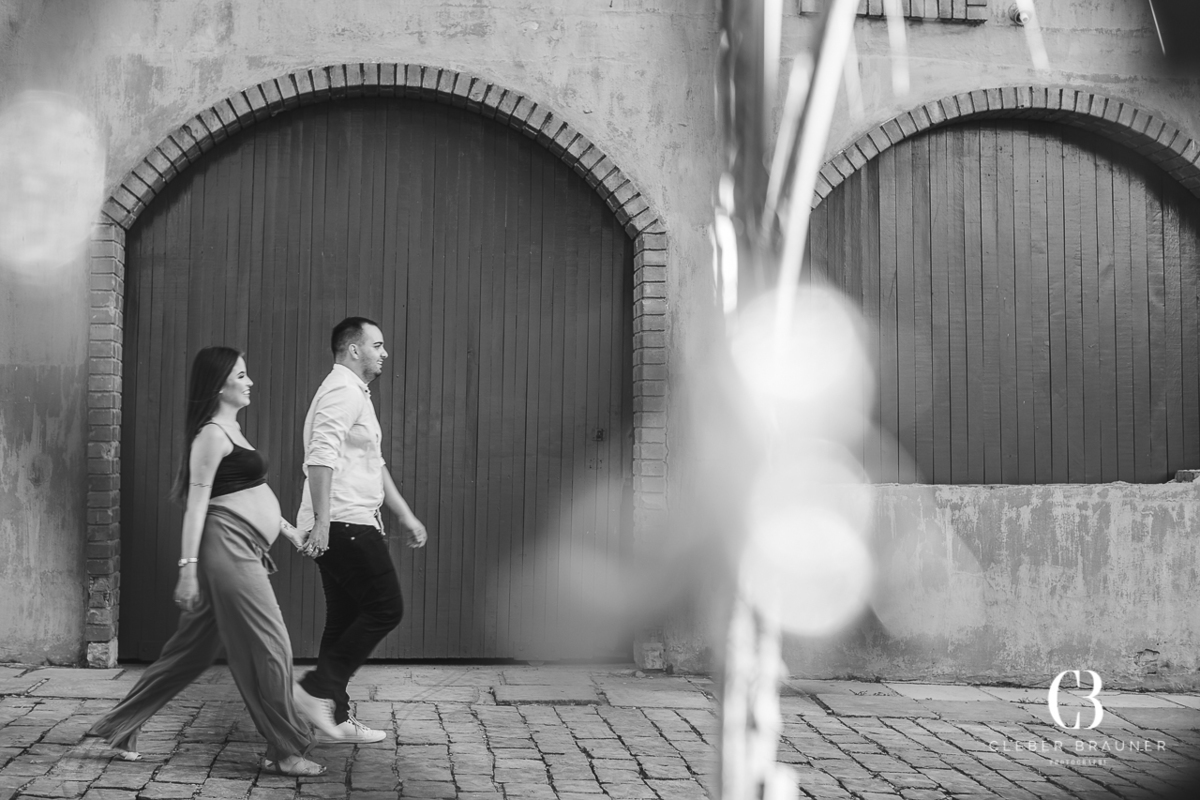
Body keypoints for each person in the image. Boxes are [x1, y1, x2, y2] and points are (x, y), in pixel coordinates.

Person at [87, 347, 335, 776]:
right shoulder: (211, 436)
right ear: (220, 384)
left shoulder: (232, 430)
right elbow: (198, 505)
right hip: (227, 550)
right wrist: (187, 569)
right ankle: (286, 749)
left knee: (187, 655)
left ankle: (119, 726)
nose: (250, 381)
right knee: (271, 648)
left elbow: (246, 490)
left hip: (246, 546)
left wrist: (290, 532)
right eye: (242, 375)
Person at [293, 317, 427, 744]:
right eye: (378, 345)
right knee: (386, 608)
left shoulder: (356, 394)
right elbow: (320, 456)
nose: (384, 353)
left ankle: (335, 713)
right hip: (343, 522)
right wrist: (323, 524)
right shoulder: (341, 391)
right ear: (354, 349)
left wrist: (404, 514)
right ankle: (313, 691)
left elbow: (374, 463)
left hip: (351, 519)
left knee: (344, 618)